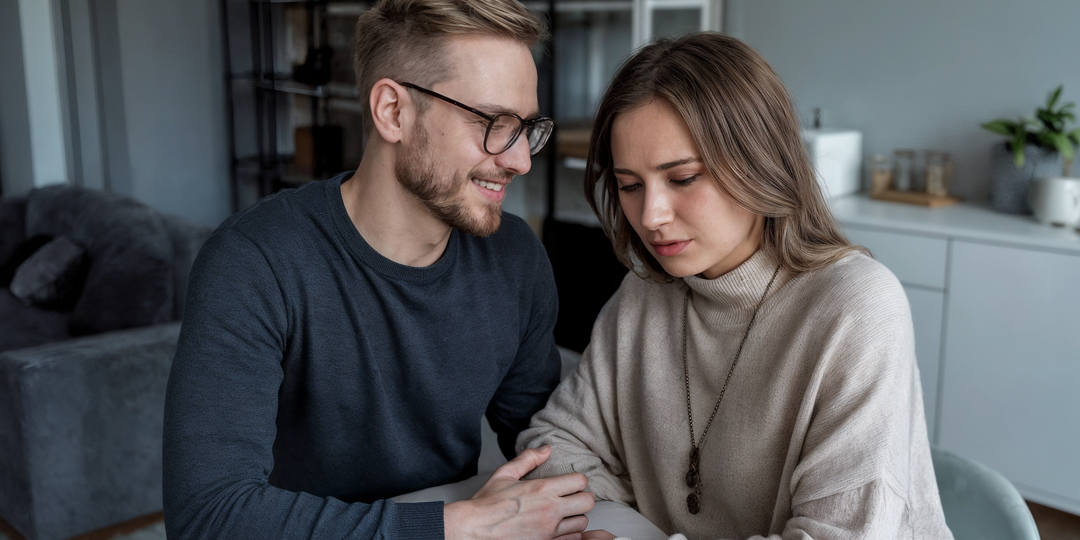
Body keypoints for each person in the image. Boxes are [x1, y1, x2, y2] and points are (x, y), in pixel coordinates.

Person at [161, 0, 595, 538]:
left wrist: (576, 510)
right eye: (491, 122)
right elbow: (207, 516)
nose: (520, 160)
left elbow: (541, 439)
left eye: (525, 127)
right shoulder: (252, 262)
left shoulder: (514, 256)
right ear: (392, 111)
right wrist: (451, 529)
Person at [516, 32, 954, 540]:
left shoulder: (858, 308)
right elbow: (552, 442)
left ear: (758, 162)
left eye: (682, 179)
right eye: (630, 185)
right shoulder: (644, 295)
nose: (651, 216)